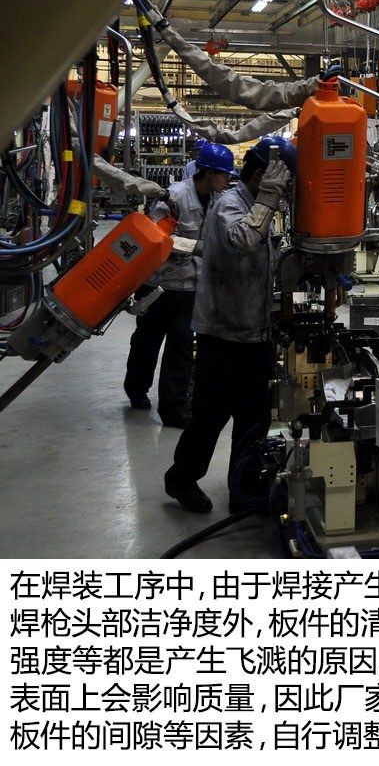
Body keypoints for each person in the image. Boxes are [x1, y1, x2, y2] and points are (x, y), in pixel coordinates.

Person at [163, 136, 296, 514]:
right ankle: (181, 479)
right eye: (283, 181)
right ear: (264, 175)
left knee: (254, 418)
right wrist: (269, 198)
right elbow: (244, 240)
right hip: (222, 334)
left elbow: (265, 258)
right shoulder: (229, 205)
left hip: (253, 333)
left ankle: (244, 488)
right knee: (210, 415)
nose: (285, 190)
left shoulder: (255, 206)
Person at [123, 142, 235, 427]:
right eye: (224, 174)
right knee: (147, 342)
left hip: (189, 289)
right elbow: (155, 237)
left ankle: (173, 410)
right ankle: (136, 388)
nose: (227, 180)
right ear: (209, 173)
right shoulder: (175, 197)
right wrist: (196, 247)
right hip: (158, 286)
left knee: (182, 348)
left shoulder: (217, 200)